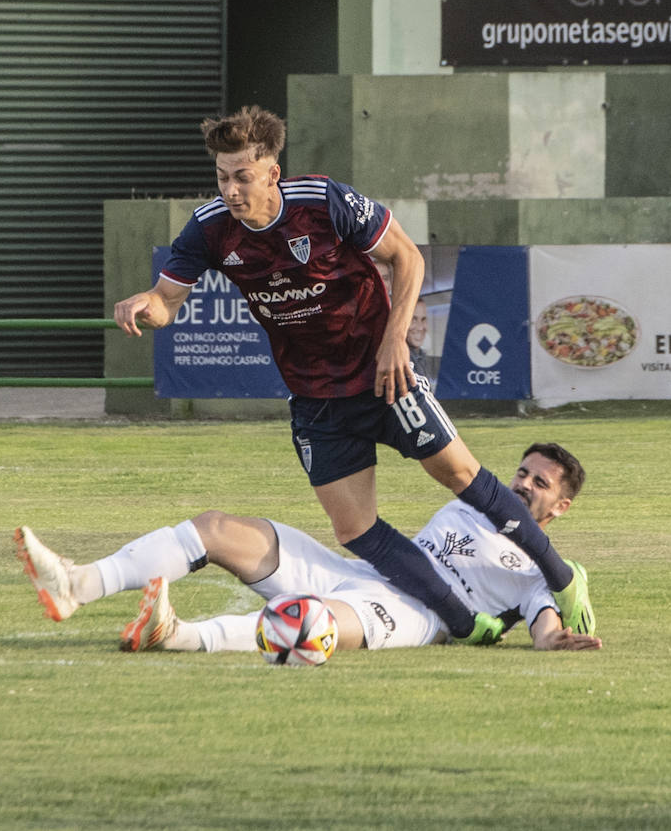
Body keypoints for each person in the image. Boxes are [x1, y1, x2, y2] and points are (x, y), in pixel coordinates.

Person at [111, 105, 591, 644]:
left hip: (384, 373)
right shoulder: (210, 228)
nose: (231, 189)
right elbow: (167, 300)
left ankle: (565, 579)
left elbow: (407, 257)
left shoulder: (323, 201)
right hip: (316, 394)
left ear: (272, 172)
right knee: (354, 529)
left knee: (459, 474)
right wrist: (146, 304)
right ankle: (464, 624)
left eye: (242, 176)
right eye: (222, 177)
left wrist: (393, 343)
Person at [14, 443, 600, 655]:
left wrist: (556, 638)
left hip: (412, 615)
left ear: (560, 507)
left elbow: (544, 623)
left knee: (308, 627)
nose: (522, 484)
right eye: (522, 472)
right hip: (361, 570)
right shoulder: (475, 504)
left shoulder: (537, 573)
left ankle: (180, 635)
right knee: (218, 526)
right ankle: (78, 584)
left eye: (539, 482)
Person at [406, 299, 439, 388]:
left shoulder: (422, 357)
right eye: (413, 319)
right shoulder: (400, 360)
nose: (420, 327)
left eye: (423, 319)